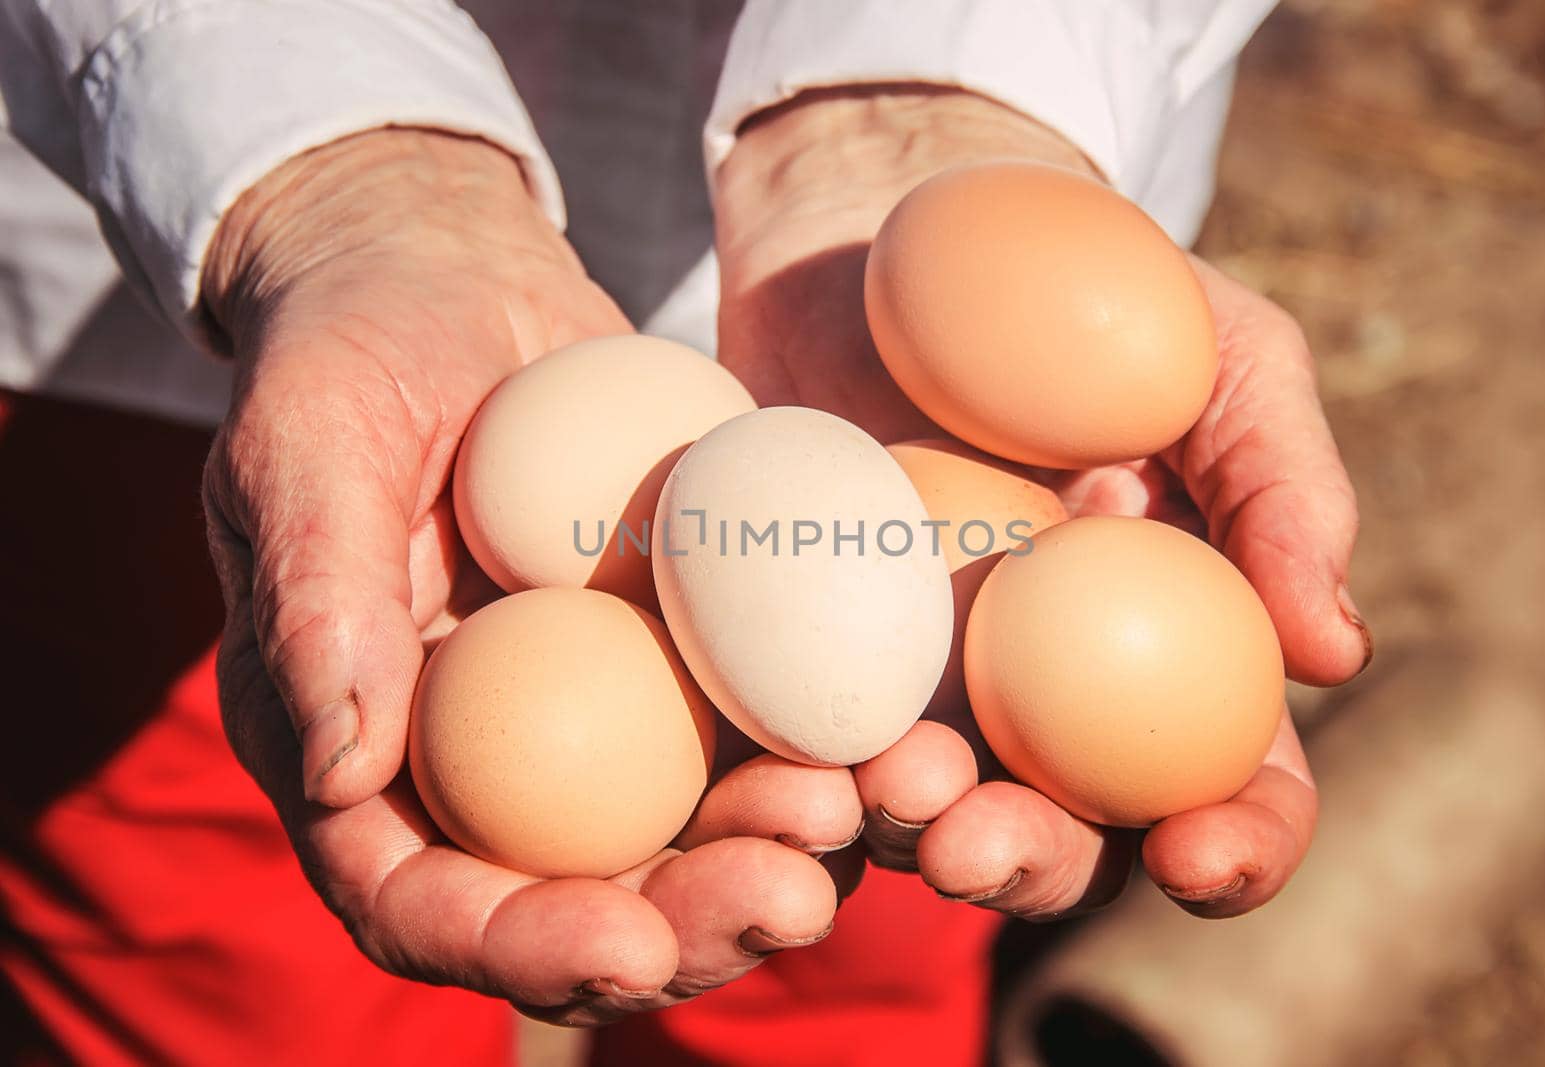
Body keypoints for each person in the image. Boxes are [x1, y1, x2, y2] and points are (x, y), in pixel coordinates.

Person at [0, 2, 1372, 1064]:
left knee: (862, 923)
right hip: (202, 305)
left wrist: (925, 80)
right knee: (215, 935)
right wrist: (328, 178)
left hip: (950, 387)